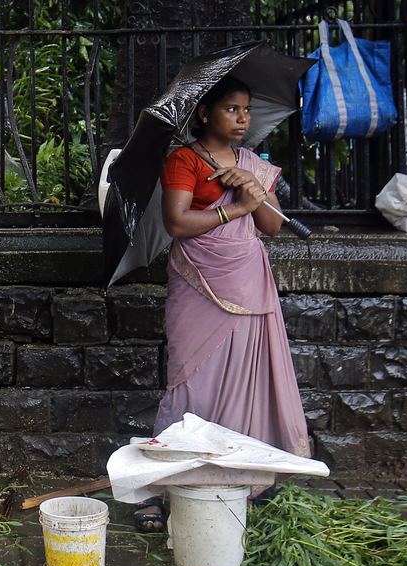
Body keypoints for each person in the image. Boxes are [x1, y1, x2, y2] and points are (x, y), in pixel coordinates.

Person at [133, 76, 310, 532]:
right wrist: (233, 208)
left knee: (244, 382)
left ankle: (237, 477)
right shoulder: (184, 160)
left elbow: (271, 225)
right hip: (199, 284)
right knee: (189, 383)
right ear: (204, 114)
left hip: (247, 281)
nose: (242, 118)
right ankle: (158, 488)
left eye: (246, 110)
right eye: (231, 109)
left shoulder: (250, 162)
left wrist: (252, 187)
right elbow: (177, 222)